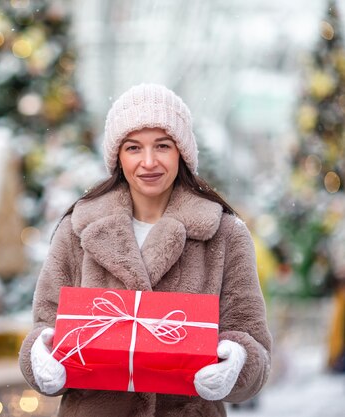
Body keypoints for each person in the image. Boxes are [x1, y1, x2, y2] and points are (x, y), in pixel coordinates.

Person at [18, 84, 272, 417]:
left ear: (181, 152)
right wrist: (40, 358)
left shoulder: (224, 233)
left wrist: (237, 362)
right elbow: (45, 326)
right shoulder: (78, 229)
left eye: (162, 146)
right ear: (117, 156)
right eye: (134, 147)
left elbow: (253, 343)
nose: (148, 162)